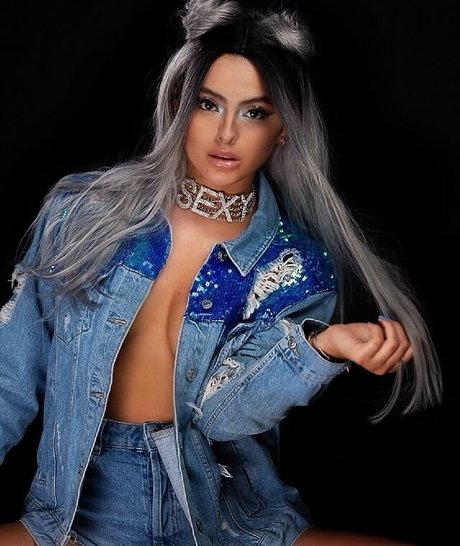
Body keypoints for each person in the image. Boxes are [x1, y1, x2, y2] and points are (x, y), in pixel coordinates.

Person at [0, 0, 443, 545]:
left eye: (254, 112)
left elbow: (220, 417)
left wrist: (319, 347)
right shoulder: (84, 215)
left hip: (226, 517)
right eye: (208, 104)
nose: (226, 132)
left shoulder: (294, 267)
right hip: (78, 515)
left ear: (283, 130)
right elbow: (9, 379)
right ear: (179, 105)